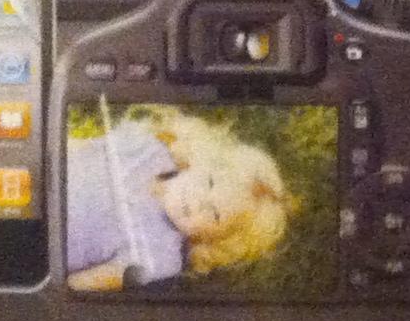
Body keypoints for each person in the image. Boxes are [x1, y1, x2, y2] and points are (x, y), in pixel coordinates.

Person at [65, 107, 290, 291]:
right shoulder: (148, 149)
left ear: (211, 240)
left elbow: (81, 284)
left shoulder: (161, 259)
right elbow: (78, 148)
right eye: (209, 183)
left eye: (215, 214)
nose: (199, 201)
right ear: (200, 162)